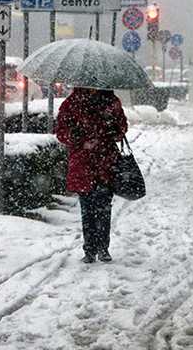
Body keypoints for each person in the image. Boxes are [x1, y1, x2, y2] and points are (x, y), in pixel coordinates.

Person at [55, 88, 128, 264]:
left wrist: (110, 130)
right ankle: (90, 250)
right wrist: (78, 138)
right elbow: (61, 132)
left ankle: (103, 248)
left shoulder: (111, 102)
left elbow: (122, 128)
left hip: (105, 163)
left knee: (103, 208)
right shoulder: (72, 103)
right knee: (87, 210)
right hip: (83, 164)